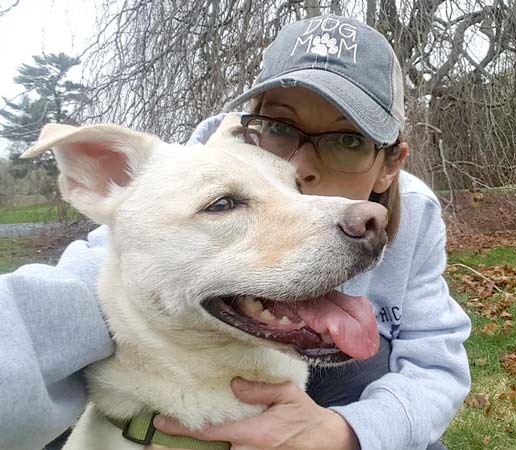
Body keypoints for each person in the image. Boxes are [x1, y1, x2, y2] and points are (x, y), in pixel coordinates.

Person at [0, 14, 470, 450]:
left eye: (348, 140)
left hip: (338, 396)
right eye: (281, 128)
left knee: (374, 362)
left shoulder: (418, 214)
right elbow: (77, 295)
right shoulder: (165, 186)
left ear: (390, 166)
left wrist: (347, 433)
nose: (299, 166)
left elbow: (436, 363)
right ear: (248, 126)